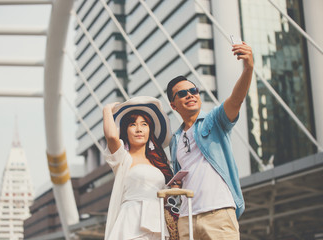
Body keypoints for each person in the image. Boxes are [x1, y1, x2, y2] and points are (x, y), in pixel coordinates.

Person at [166, 42, 254, 239]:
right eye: (182, 94)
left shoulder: (214, 121)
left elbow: (236, 100)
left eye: (194, 90)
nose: (190, 95)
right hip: (186, 218)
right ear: (173, 105)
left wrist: (248, 68)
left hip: (219, 213)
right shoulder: (176, 140)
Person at [103, 96, 174, 240]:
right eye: (133, 125)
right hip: (131, 222)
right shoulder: (123, 158)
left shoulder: (159, 162)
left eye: (144, 124)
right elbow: (111, 136)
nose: (139, 129)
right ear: (125, 130)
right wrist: (107, 110)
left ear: (150, 130)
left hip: (157, 222)